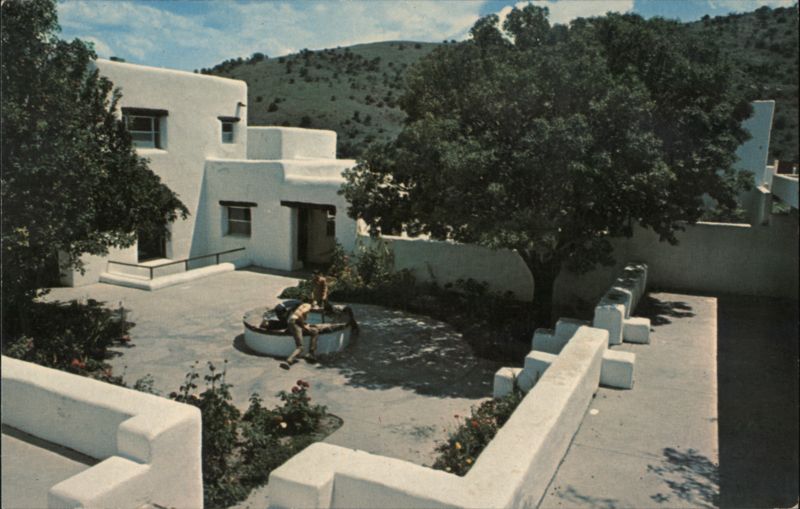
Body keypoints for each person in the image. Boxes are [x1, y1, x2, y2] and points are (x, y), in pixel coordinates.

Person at [280, 302, 319, 369]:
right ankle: (288, 361)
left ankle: (311, 353)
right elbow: (299, 315)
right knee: (300, 347)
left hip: (292, 323)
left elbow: (297, 315)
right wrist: (304, 326)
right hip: (295, 324)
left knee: (314, 331)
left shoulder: (303, 305)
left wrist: (304, 325)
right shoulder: (308, 306)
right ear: (314, 305)